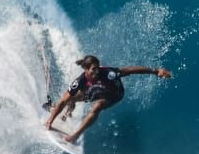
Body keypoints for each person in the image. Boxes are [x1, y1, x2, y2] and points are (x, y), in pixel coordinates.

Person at [44, 54, 172, 143]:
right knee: (71, 99)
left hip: (114, 94)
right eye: (93, 69)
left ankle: (75, 136)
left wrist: (155, 71)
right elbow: (63, 100)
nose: (97, 71)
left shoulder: (109, 74)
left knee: (97, 106)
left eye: (98, 68)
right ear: (86, 69)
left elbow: (131, 70)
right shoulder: (80, 81)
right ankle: (66, 115)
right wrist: (50, 121)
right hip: (95, 91)